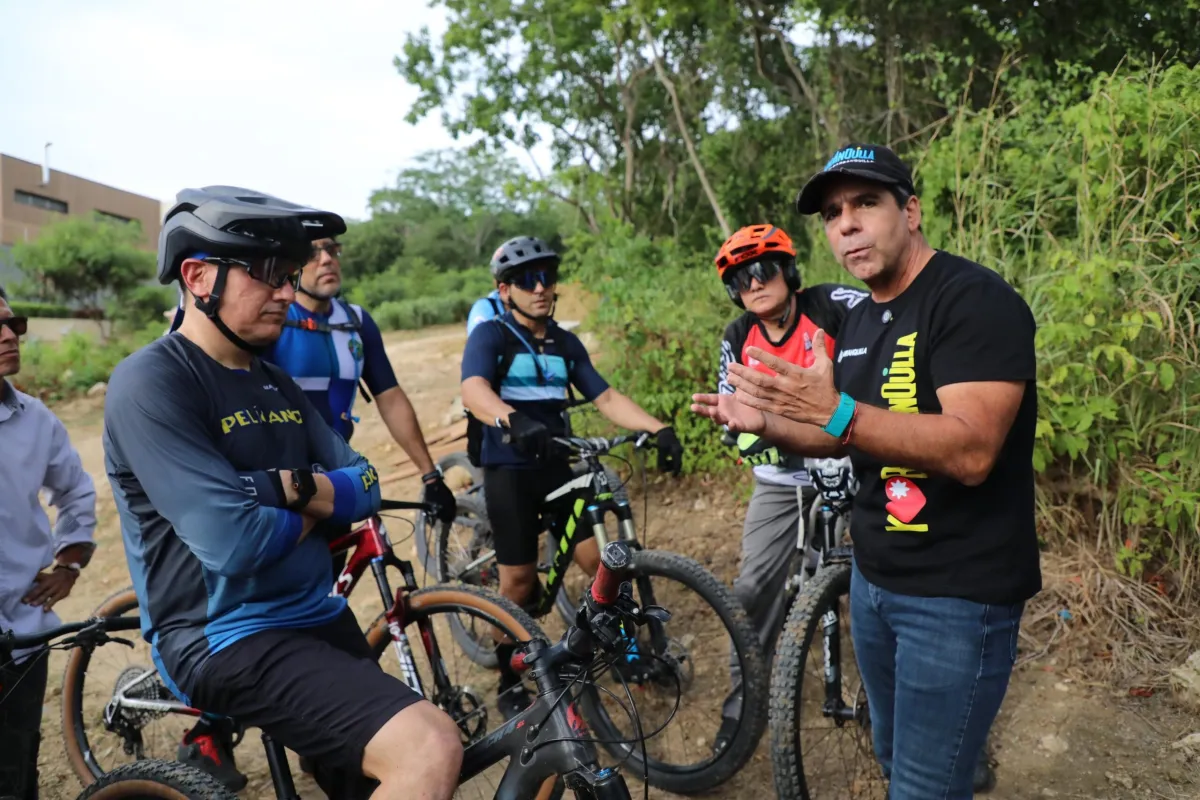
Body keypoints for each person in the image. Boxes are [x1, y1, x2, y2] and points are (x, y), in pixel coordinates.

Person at [691, 143, 1039, 799]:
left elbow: (972, 451)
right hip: (874, 582)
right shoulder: (861, 319)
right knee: (889, 753)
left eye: (866, 203)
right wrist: (767, 423)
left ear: (910, 211)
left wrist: (839, 411)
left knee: (925, 785)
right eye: (832, 213)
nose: (847, 224)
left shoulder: (972, 300)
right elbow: (838, 435)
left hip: (956, 595)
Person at [103, 186, 463, 800]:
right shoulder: (152, 381)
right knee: (429, 746)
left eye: (290, 275)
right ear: (197, 277)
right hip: (224, 635)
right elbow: (235, 543)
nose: (287, 293)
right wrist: (322, 503)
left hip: (316, 613)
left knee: (381, 769)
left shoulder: (274, 380)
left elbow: (368, 485)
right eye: (268, 273)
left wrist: (283, 488)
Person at [460, 235, 684, 717]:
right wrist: (512, 419)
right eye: (526, 280)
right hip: (509, 470)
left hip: (557, 467)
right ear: (505, 290)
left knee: (598, 562)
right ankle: (507, 678)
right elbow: (473, 390)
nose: (540, 287)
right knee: (519, 583)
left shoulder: (564, 342)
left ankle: (625, 657)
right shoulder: (492, 335)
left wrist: (658, 428)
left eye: (546, 277)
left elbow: (606, 397)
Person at [711, 223, 867, 755]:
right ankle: (744, 705)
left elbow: (885, 357)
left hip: (854, 463)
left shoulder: (835, 306)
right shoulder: (738, 336)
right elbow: (734, 412)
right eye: (740, 279)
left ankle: (898, 709)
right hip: (781, 481)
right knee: (752, 590)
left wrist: (851, 448)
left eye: (764, 269)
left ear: (789, 270)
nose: (754, 283)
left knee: (887, 585)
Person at [259, 236, 456, 519]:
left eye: (331, 249)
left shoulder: (357, 321)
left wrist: (430, 475)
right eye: (312, 253)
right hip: (285, 483)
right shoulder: (272, 319)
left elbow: (390, 398)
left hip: (336, 476)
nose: (326, 259)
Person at [0, 285, 98, 800]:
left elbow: (75, 490)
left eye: (13, 324)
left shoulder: (35, 420)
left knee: (18, 765)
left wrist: (70, 562)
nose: (8, 336)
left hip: (23, 636)